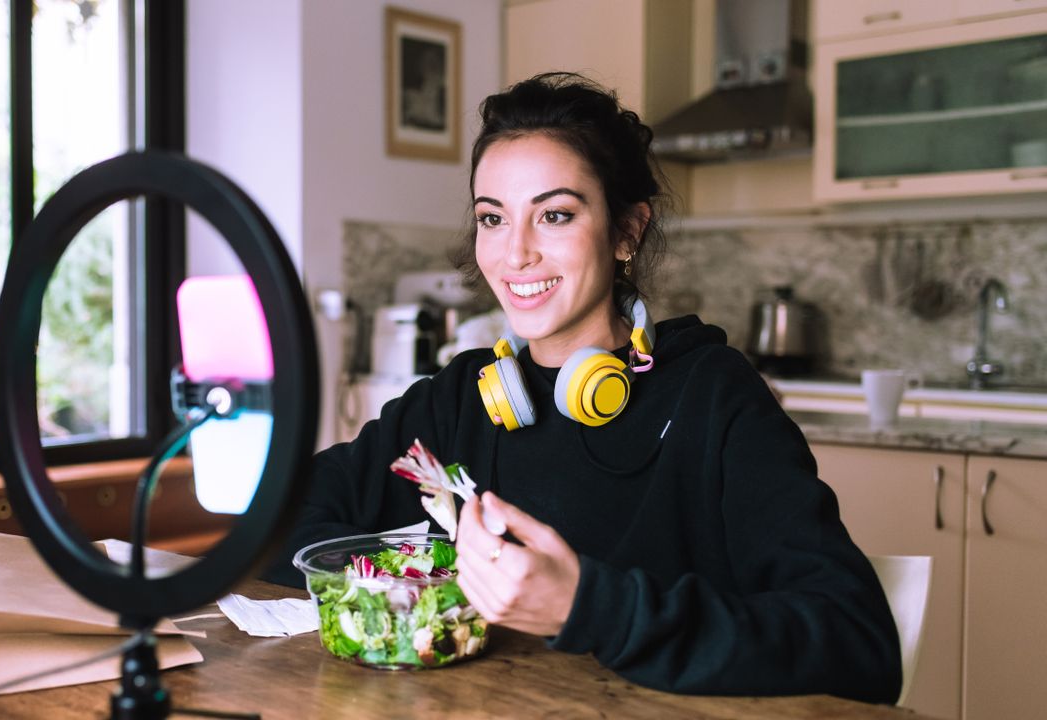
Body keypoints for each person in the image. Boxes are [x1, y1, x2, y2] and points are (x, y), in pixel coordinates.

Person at [265, 72, 901, 704]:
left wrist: (588, 606)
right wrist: (402, 582)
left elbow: (857, 645)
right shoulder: (461, 398)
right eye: (493, 218)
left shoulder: (713, 397)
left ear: (626, 231)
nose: (515, 254)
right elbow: (278, 515)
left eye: (555, 215)